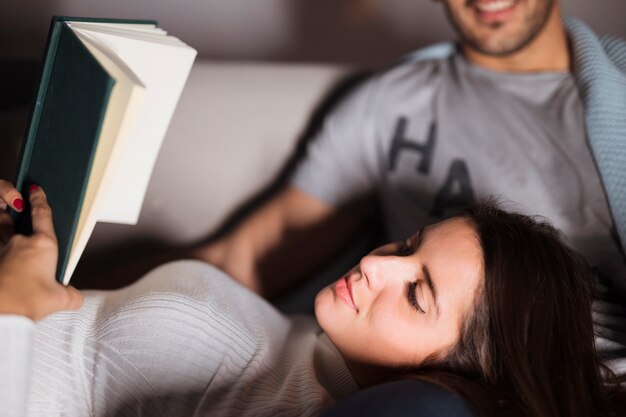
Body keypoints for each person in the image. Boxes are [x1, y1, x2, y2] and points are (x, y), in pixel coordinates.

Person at [191, 0, 626, 376]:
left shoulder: (614, 98)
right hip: (443, 386)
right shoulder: (387, 106)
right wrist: (121, 289)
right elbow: (245, 257)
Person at [0, 183, 624, 416]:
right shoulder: (322, 349)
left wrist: (14, 310)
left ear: (455, 373)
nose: (379, 265)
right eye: (408, 245)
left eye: (416, 294)